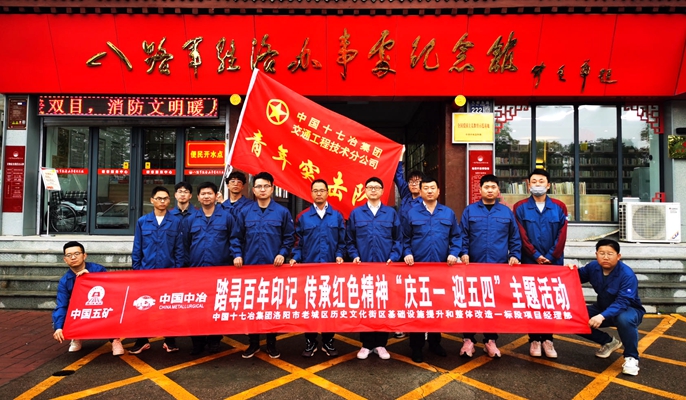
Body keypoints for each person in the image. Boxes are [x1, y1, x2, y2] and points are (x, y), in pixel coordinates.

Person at [231, 172, 295, 360]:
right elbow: (236, 237)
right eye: (258, 186)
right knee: (252, 306)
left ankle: (271, 343)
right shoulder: (245, 212)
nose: (262, 189)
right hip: (250, 267)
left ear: (272, 188)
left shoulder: (282, 212)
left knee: (272, 306)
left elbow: (289, 237)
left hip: (273, 268)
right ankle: (253, 343)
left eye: (266, 186)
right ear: (253, 189)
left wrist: (282, 253)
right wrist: (237, 254)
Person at [458, 174, 521, 359]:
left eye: (493, 187)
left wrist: (514, 255)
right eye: (486, 187)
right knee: (471, 303)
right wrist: (463, 253)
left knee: (493, 304)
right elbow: (463, 235)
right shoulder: (470, 211)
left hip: (497, 267)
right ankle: (468, 340)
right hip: (473, 266)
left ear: (498, 190)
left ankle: (490, 340)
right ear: (480, 190)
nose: (490, 190)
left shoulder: (506, 212)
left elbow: (514, 237)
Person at [403, 177, 461, 363]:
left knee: (437, 307)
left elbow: (456, 237)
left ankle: (435, 343)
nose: (429, 191)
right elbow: (404, 238)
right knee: (418, 308)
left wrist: (453, 253)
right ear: (420, 192)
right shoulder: (411, 213)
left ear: (438, 191)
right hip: (417, 269)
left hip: (441, 268)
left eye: (432, 188)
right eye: (426, 188)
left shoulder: (448, 213)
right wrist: (407, 253)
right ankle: (416, 347)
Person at [513, 168, 568, 358]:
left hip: (553, 263)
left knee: (549, 301)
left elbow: (562, 235)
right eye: (534, 181)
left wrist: (551, 256)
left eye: (541, 181)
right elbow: (521, 234)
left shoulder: (559, 207)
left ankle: (548, 340)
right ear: (528, 185)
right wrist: (535, 254)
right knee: (532, 300)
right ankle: (534, 339)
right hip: (530, 261)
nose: (538, 185)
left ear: (549, 185)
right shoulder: (520, 207)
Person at [346, 177, 402, 360]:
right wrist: (354, 256)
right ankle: (366, 344)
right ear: (365, 190)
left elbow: (398, 239)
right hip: (363, 268)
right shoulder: (356, 214)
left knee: (383, 304)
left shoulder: (390, 213)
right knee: (366, 304)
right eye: (369, 187)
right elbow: (349, 240)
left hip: (385, 267)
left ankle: (381, 344)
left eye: (377, 187)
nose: (373, 190)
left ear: (382, 191)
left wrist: (393, 257)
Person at [573, 239, 645, 376]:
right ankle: (608, 342)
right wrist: (569, 270)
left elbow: (623, 302)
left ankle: (631, 358)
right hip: (602, 307)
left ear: (618, 256)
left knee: (624, 319)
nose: (605, 257)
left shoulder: (627, 275)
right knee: (573, 317)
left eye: (610, 254)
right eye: (602, 253)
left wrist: (602, 316)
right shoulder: (593, 267)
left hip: (628, 310)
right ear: (596, 254)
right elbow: (574, 277)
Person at [290, 179, 345, 358]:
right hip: (309, 269)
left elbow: (342, 241)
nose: (319, 193)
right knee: (310, 305)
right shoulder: (303, 216)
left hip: (331, 269)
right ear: (311, 193)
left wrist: (340, 254)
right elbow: (298, 243)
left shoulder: (337, 216)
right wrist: (295, 258)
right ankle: (310, 341)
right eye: (315, 190)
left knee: (330, 305)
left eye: (322, 190)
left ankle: (328, 340)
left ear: (328, 192)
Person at [129, 186, 184, 354]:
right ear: (152, 200)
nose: (162, 201)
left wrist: (177, 270)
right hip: (146, 272)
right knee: (143, 307)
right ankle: (142, 340)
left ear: (169, 201)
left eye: (165, 198)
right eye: (159, 198)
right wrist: (138, 270)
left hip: (168, 272)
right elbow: (137, 247)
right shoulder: (143, 221)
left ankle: (170, 340)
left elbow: (179, 249)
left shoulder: (175, 222)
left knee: (169, 307)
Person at [183, 181, 235, 356]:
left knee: (216, 307)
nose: (206, 196)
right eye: (203, 194)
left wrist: (236, 257)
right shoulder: (191, 219)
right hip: (196, 271)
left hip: (220, 270)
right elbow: (185, 245)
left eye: (209, 193)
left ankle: (214, 340)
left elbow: (234, 239)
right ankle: (197, 342)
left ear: (216, 196)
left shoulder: (227, 217)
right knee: (195, 308)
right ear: (198, 197)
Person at [52, 241, 124, 356]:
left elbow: (110, 291)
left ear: (84, 255)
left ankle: (115, 340)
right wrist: (59, 327)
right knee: (62, 315)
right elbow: (61, 305)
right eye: (69, 255)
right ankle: (76, 337)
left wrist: (89, 278)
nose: (73, 257)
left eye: (76, 253)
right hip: (81, 310)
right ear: (65, 260)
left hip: (102, 305)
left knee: (113, 308)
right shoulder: (65, 281)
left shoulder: (98, 270)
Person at [393, 156, 426, 339]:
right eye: (411, 181)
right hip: (401, 247)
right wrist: (399, 158)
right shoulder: (406, 195)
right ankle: (402, 323)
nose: (414, 184)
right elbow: (398, 177)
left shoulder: (427, 202)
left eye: (418, 181)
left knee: (419, 288)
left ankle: (422, 325)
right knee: (401, 287)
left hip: (419, 249)